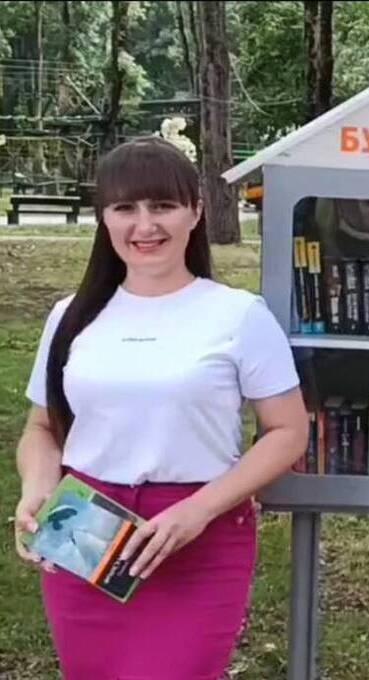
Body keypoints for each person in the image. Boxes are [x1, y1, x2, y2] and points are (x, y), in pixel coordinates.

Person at [12, 137, 308, 679]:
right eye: (125, 208)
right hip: (84, 530)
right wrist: (37, 488)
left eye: (163, 206)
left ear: (196, 211)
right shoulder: (71, 316)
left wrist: (197, 511)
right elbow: (42, 429)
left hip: (198, 536)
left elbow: (288, 431)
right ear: (104, 218)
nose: (144, 225)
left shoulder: (239, 316)